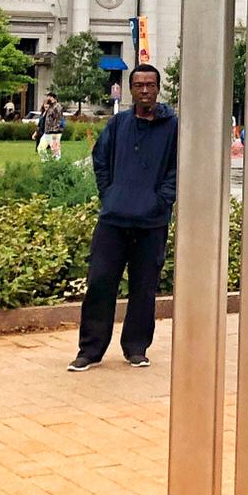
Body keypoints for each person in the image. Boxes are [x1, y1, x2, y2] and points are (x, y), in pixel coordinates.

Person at [69, 63, 177, 372]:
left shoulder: (172, 127)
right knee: (100, 282)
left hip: (152, 221)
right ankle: (90, 350)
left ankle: (136, 347)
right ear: (131, 89)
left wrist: (162, 200)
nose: (145, 90)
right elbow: (100, 158)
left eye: (150, 85)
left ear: (158, 88)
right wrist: (109, 193)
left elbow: (177, 167)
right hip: (113, 219)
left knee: (144, 287)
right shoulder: (118, 124)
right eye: (139, 85)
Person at [34, 95, 66, 161]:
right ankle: (46, 161)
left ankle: (56, 163)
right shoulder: (49, 108)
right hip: (47, 132)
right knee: (40, 148)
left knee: (55, 149)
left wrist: (55, 131)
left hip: (55, 132)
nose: (48, 99)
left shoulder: (57, 107)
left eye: (50, 97)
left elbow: (58, 120)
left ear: (54, 98)